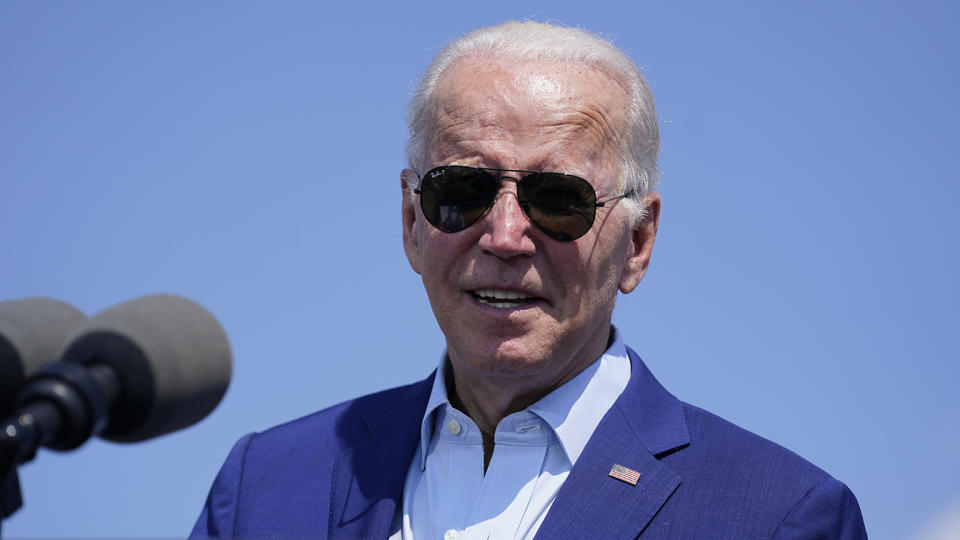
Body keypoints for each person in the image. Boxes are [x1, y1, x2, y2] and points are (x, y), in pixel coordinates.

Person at [191, 21, 866, 539]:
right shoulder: (266, 487)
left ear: (638, 241)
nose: (506, 235)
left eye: (558, 200)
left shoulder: (777, 516)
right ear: (410, 222)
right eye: (462, 191)